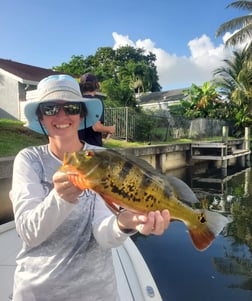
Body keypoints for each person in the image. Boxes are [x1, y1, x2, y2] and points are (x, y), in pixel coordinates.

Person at [10, 74, 170, 301]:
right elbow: (28, 232)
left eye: (72, 107)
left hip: (97, 293)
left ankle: (204, 220)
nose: (62, 115)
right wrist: (61, 198)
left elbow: (103, 234)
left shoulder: (103, 159)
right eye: (50, 108)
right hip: (39, 292)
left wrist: (126, 223)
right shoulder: (29, 160)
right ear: (41, 117)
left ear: (82, 113)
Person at [78, 73, 115, 146]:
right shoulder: (96, 102)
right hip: (92, 148)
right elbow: (96, 127)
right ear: (96, 85)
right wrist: (110, 129)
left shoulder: (76, 102)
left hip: (78, 146)